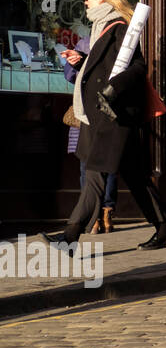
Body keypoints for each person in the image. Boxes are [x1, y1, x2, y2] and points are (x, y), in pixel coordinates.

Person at [44, 0, 166, 251]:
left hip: (111, 115)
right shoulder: (100, 28)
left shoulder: (118, 27)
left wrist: (113, 88)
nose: (85, 1)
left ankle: (69, 237)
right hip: (99, 114)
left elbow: (137, 68)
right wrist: (82, 63)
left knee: (93, 176)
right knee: (137, 177)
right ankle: (163, 229)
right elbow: (104, 71)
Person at [62, 34, 118, 234]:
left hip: (87, 110)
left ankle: (93, 219)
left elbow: (69, 76)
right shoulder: (115, 40)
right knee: (108, 165)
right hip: (108, 110)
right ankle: (106, 213)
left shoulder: (85, 42)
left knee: (87, 166)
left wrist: (76, 63)